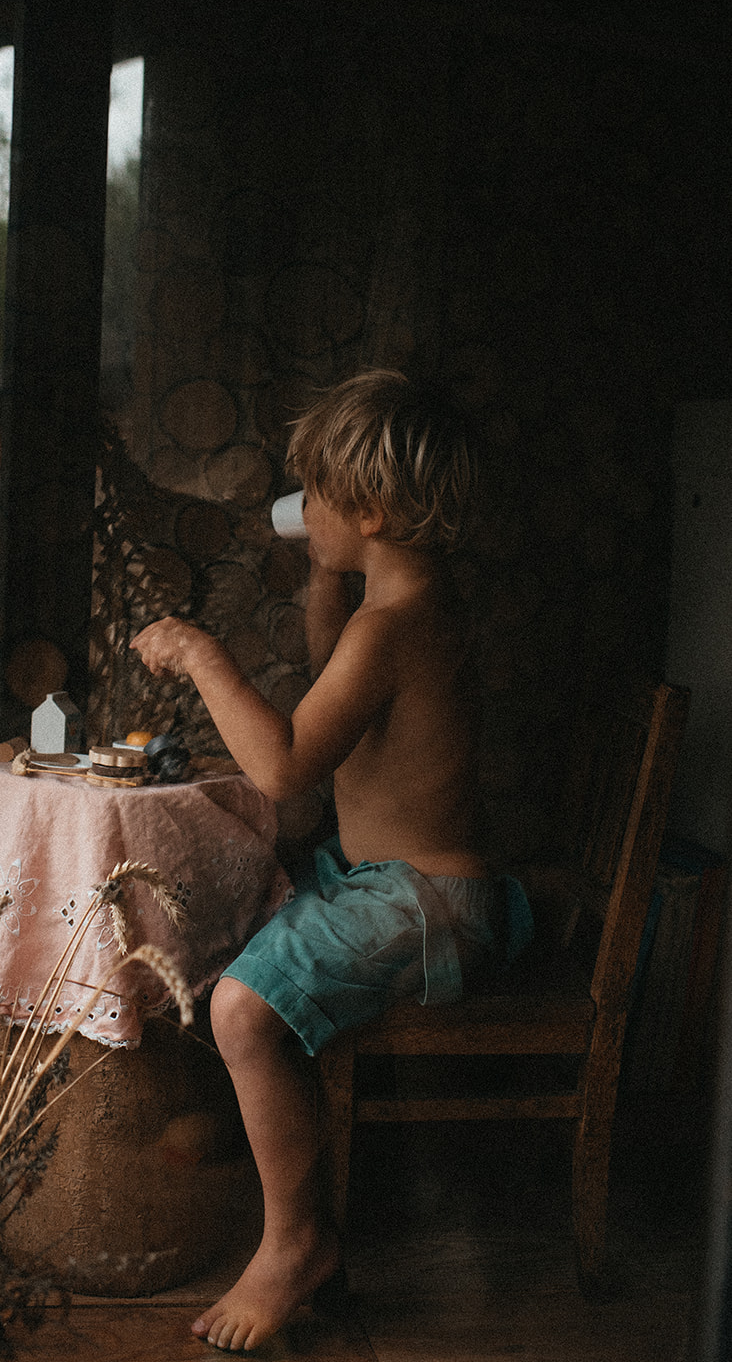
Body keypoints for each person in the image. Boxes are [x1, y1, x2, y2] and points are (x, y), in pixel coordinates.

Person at [130, 369, 532, 1352]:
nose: (300, 508)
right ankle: (267, 1156)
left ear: (374, 511)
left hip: (429, 901)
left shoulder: (394, 628)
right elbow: (331, 684)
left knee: (240, 1006)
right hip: (405, 887)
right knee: (244, 924)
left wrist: (201, 653)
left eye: (313, 494)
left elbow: (283, 767)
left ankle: (294, 1240)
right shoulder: (405, 608)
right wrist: (324, 572)